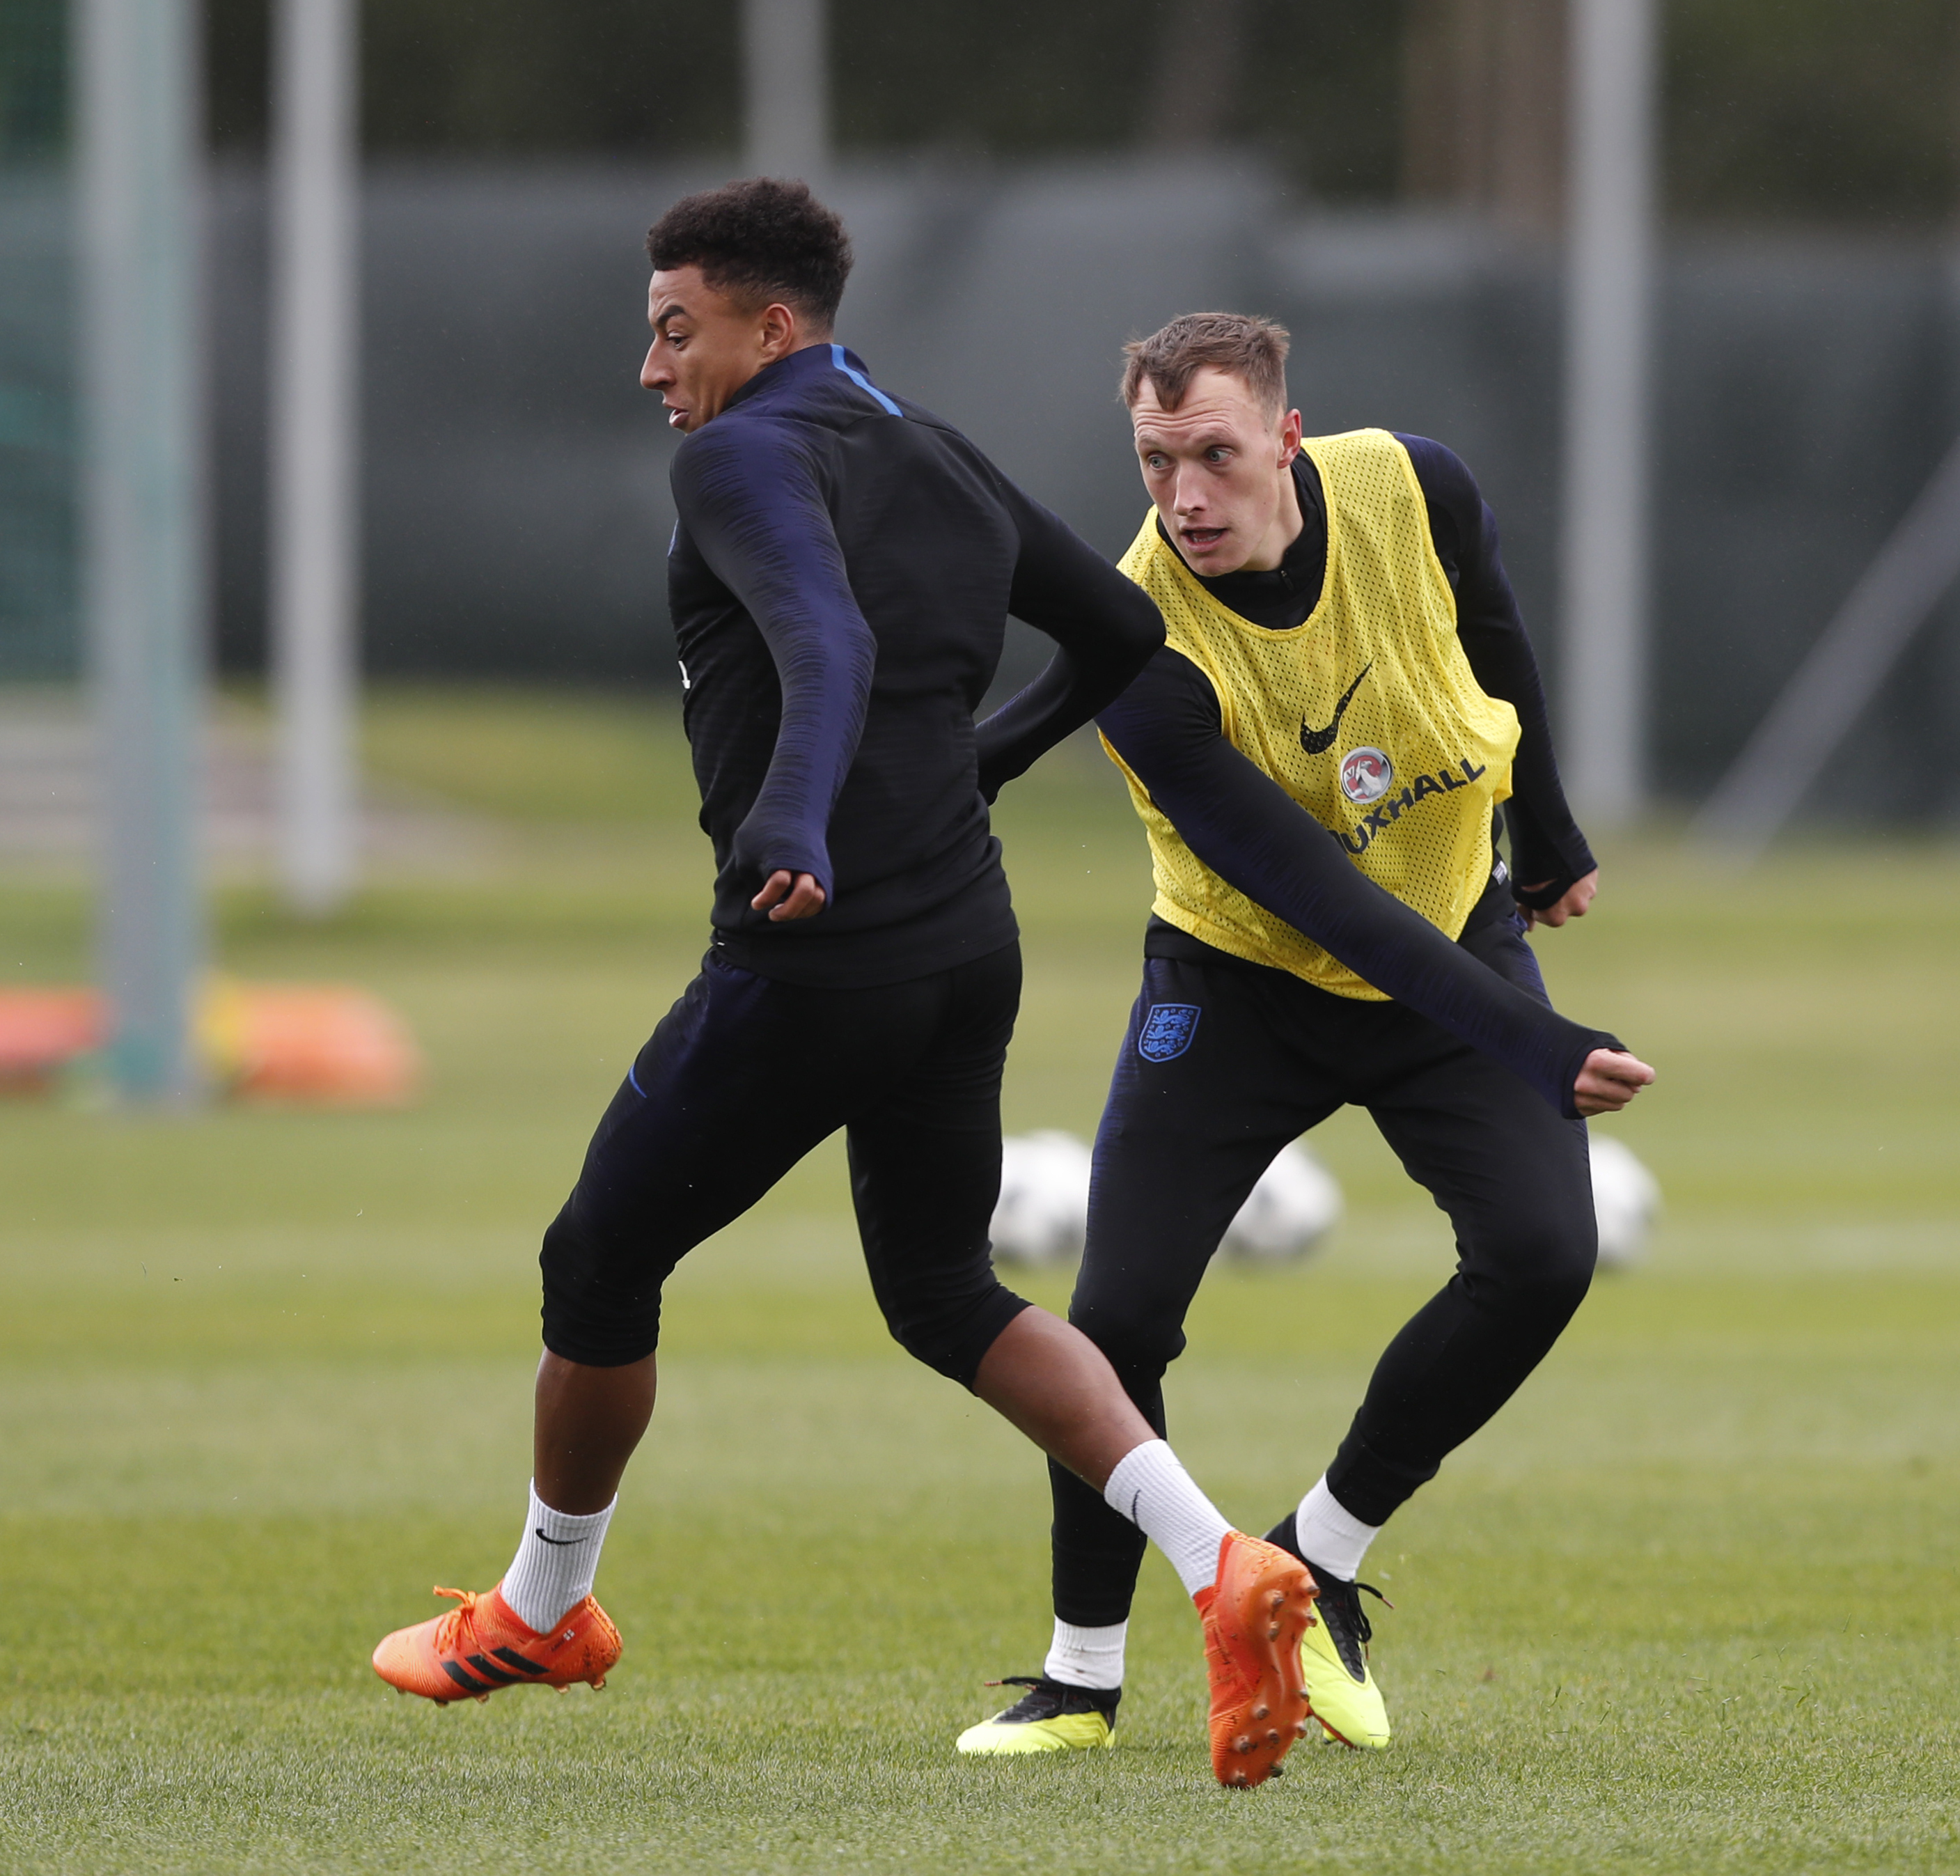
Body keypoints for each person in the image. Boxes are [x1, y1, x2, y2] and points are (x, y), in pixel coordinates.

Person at [370, 187, 1322, 1788]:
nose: (653, 364)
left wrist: (796, 821)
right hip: (967, 942)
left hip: (819, 955)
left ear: (773, 328)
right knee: (946, 1294)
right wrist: (984, 766)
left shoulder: (737, 454)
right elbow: (1125, 627)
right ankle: (1228, 1565)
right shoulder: (930, 446)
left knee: (596, 1260)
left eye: (678, 328)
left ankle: (544, 1610)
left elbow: (823, 640)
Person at [954, 311, 1656, 1758]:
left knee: (1543, 1257)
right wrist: (1529, 1043)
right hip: (1237, 989)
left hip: (1455, 932)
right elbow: (1319, 900)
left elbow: (1496, 633)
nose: (1184, 497)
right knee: (1121, 1320)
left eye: (1213, 455)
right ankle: (1081, 1676)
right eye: (1155, 463)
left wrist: (1553, 834)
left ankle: (1319, 1556)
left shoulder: (1416, 485)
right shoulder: (1143, 650)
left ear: (1284, 435)